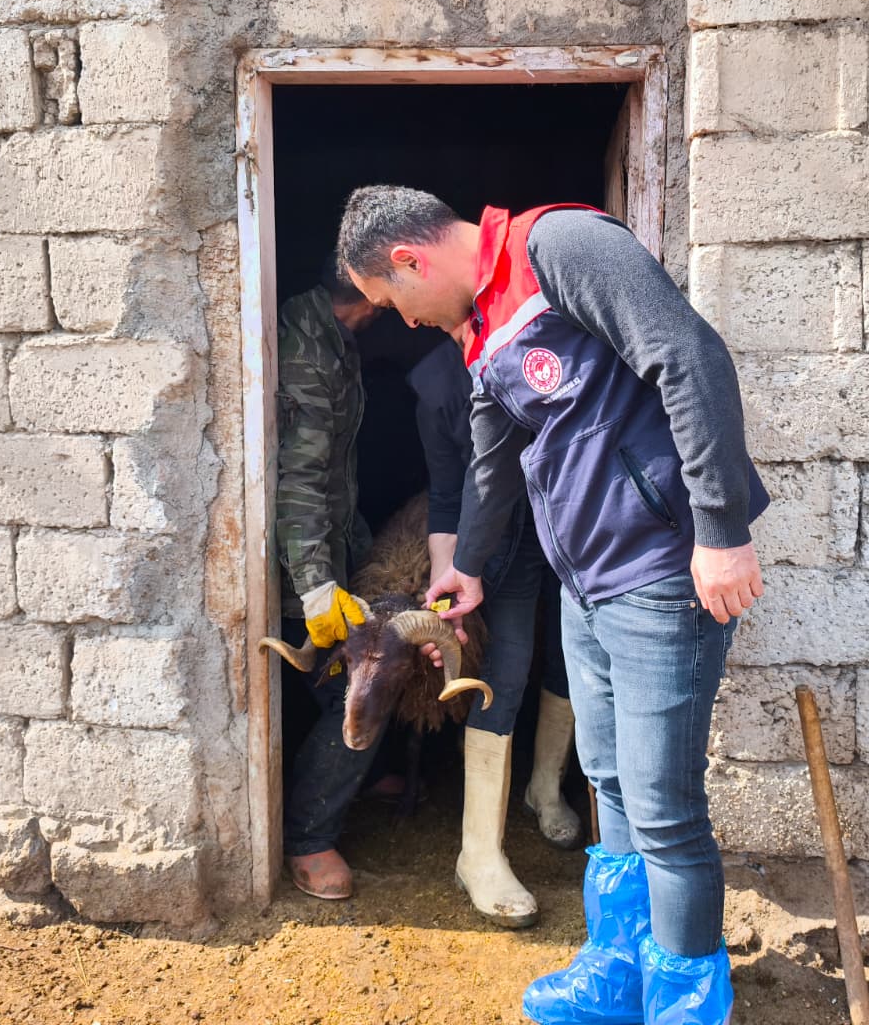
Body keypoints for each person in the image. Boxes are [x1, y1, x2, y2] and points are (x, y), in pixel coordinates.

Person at [338, 187, 769, 1025]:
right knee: (608, 782)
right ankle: (618, 968)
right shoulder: (484, 327)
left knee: (664, 810)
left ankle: (685, 1002)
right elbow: (493, 456)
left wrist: (721, 529)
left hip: (658, 570)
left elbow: (689, 356)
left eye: (395, 302)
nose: (407, 322)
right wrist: (467, 568)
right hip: (586, 583)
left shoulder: (560, 247)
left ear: (409, 259)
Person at [407, 334, 581, 930]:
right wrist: (443, 591)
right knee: (501, 677)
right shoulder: (437, 384)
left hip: (580, 531)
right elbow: (445, 492)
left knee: (570, 661)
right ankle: (479, 853)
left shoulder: (547, 343)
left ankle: (545, 789)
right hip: (501, 548)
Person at [273, 259, 381, 900]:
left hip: (330, 545)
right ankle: (309, 837)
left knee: (342, 689)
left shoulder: (335, 339)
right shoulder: (309, 354)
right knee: (356, 692)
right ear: (369, 296)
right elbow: (302, 479)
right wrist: (315, 585)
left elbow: (338, 471)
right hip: (298, 555)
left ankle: (359, 774)